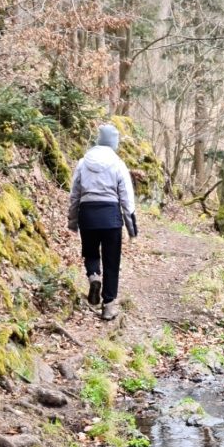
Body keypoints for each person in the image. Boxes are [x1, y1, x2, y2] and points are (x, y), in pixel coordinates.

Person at [68, 123, 137, 321]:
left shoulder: (83, 162)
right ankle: (108, 305)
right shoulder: (118, 164)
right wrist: (132, 229)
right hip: (110, 217)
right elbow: (126, 198)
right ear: (114, 143)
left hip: (87, 215)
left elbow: (75, 194)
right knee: (111, 261)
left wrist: (73, 220)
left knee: (90, 252)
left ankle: (93, 276)